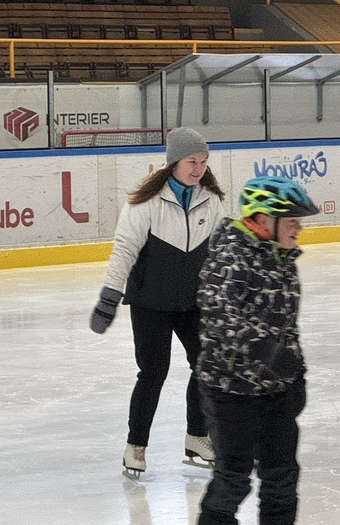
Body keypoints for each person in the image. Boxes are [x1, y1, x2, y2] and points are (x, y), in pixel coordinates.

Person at [90, 127, 226, 480]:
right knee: (153, 373)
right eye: (192, 161)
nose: (198, 168)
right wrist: (109, 296)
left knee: (206, 366)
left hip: (194, 302)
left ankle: (197, 437)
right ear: (173, 162)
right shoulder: (145, 202)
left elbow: (220, 251)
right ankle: (136, 445)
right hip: (151, 302)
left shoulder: (211, 199)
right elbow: (124, 249)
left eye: (203, 161)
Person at [195, 176, 319, 524]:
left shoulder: (282, 257)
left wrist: (296, 373)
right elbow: (219, 315)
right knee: (233, 479)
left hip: (276, 391)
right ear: (264, 219)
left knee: (282, 479)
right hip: (231, 391)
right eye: (291, 220)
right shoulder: (231, 256)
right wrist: (267, 352)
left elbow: (286, 324)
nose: (298, 228)